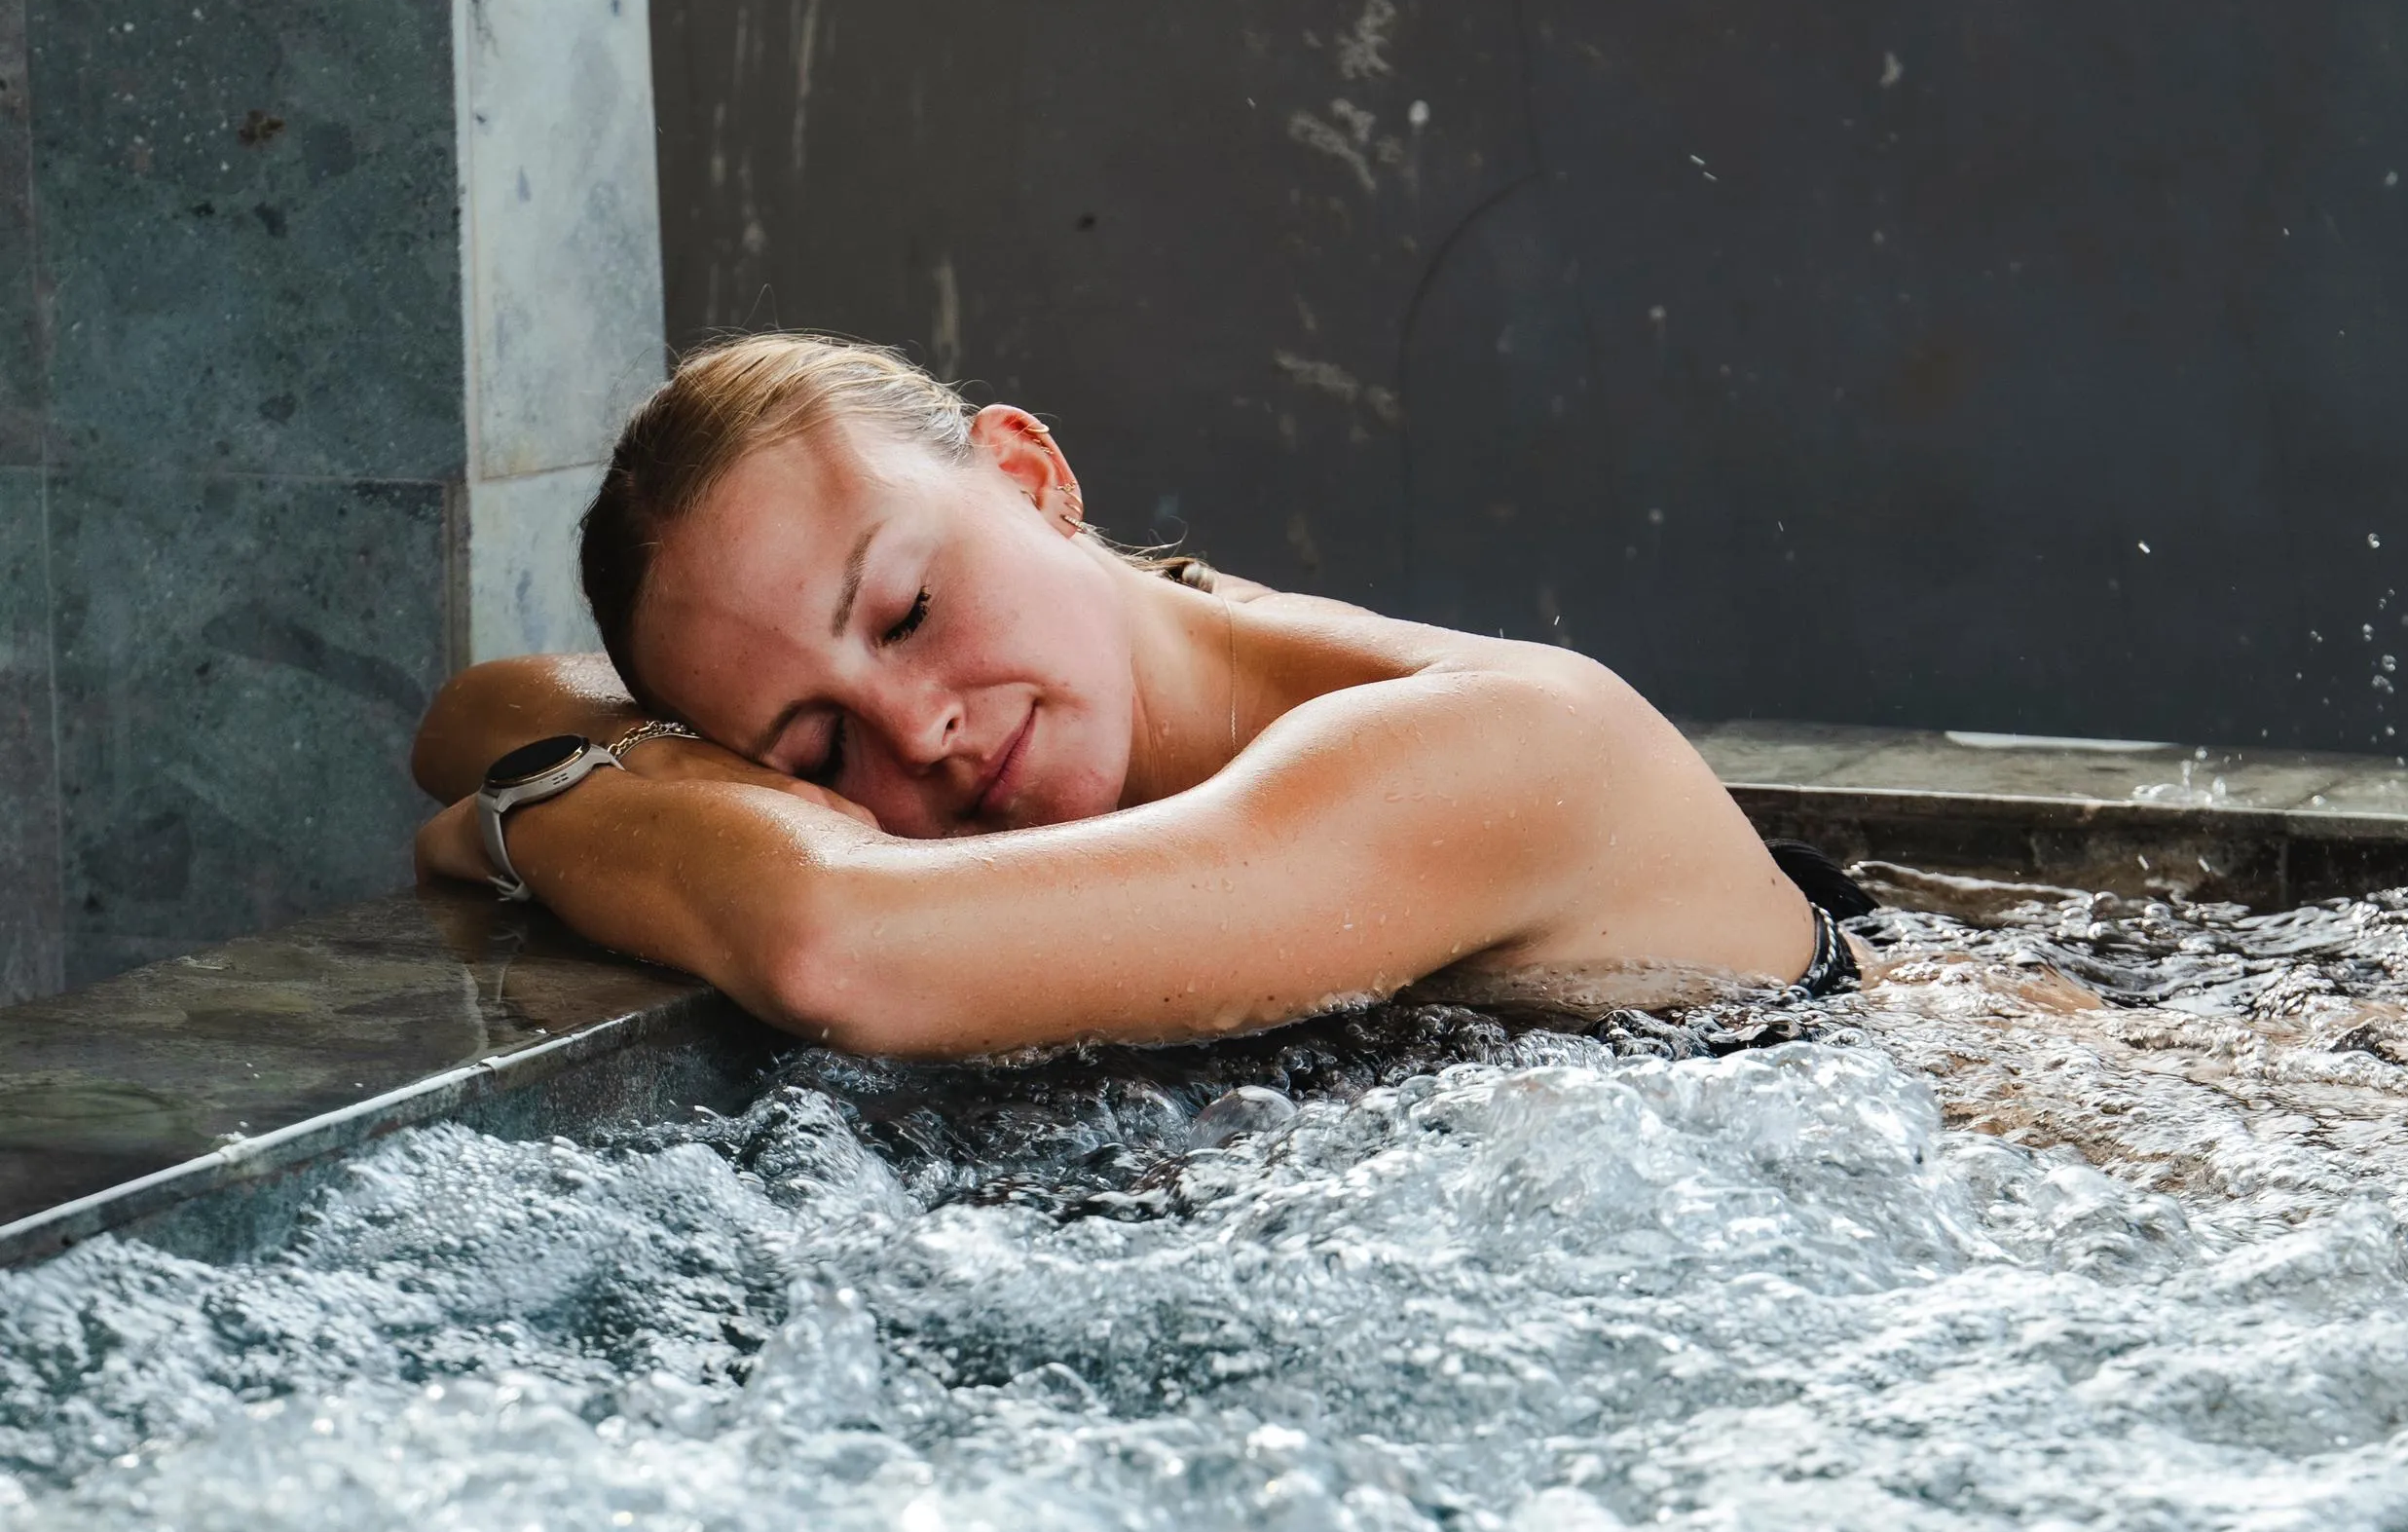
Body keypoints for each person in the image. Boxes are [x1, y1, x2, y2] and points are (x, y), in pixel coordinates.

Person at [411, 333, 1850, 1060]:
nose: (917, 733)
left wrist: (528, 823)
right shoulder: (1156, 632)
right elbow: (485, 707)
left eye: (908, 613)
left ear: (1031, 480)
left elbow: (838, 948)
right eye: (818, 742)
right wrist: (610, 770)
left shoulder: (1503, 743)